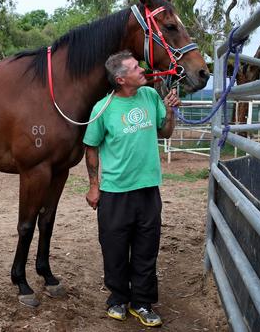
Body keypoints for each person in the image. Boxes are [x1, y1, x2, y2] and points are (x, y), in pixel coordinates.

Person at [83, 50, 180, 327]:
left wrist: (170, 110)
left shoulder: (150, 97)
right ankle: (118, 299)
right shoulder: (102, 108)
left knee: (146, 249)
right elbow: (91, 147)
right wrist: (93, 186)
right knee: (113, 248)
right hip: (115, 192)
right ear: (121, 78)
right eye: (136, 67)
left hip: (148, 189)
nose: (143, 70)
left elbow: (166, 132)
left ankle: (142, 303)